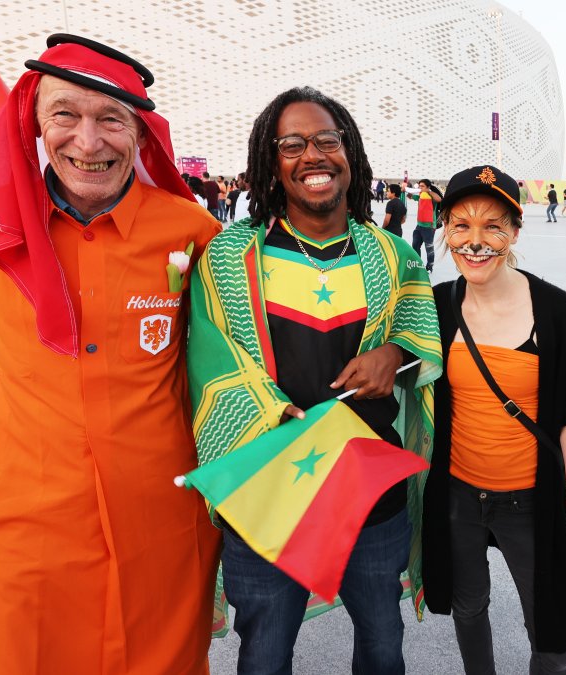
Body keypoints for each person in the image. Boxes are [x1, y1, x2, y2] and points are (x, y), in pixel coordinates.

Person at [0, 34, 222, 673]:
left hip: (161, 517)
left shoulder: (192, 232)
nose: (88, 140)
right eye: (65, 115)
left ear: (140, 134)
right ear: (35, 124)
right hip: (29, 520)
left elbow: (224, 361)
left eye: (111, 120)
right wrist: (23, 443)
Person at [187, 85, 442, 675]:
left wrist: (397, 354)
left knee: (382, 643)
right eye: (293, 144)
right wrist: (268, 411)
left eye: (328, 140)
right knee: (266, 654)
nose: (314, 156)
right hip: (270, 489)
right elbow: (211, 355)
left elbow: (419, 329)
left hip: (367, 492)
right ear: (271, 164)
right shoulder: (231, 256)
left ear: (350, 153)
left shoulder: (391, 253)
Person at [422, 164, 566, 675]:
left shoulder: (559, 313)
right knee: (468, 606)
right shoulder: (437, 307)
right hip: (459, 495)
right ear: (445, 230)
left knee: (551, 632)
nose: (475, 241)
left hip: (531, 501)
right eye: (460, 225)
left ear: (515, 231)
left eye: (492, 226)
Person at [408, 178, 441, 273]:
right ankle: (418, 264)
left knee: (429, 247)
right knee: (415, 245)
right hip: (419, 225)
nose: (420, 188)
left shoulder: (431, 197)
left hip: (429, 227)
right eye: (419, 186)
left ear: (428, 187)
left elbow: (439, 199)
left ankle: (429, 267)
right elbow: (410, 196)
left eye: (422, 186)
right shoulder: (421, 196)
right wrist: (407, 191)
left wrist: (429, 191)